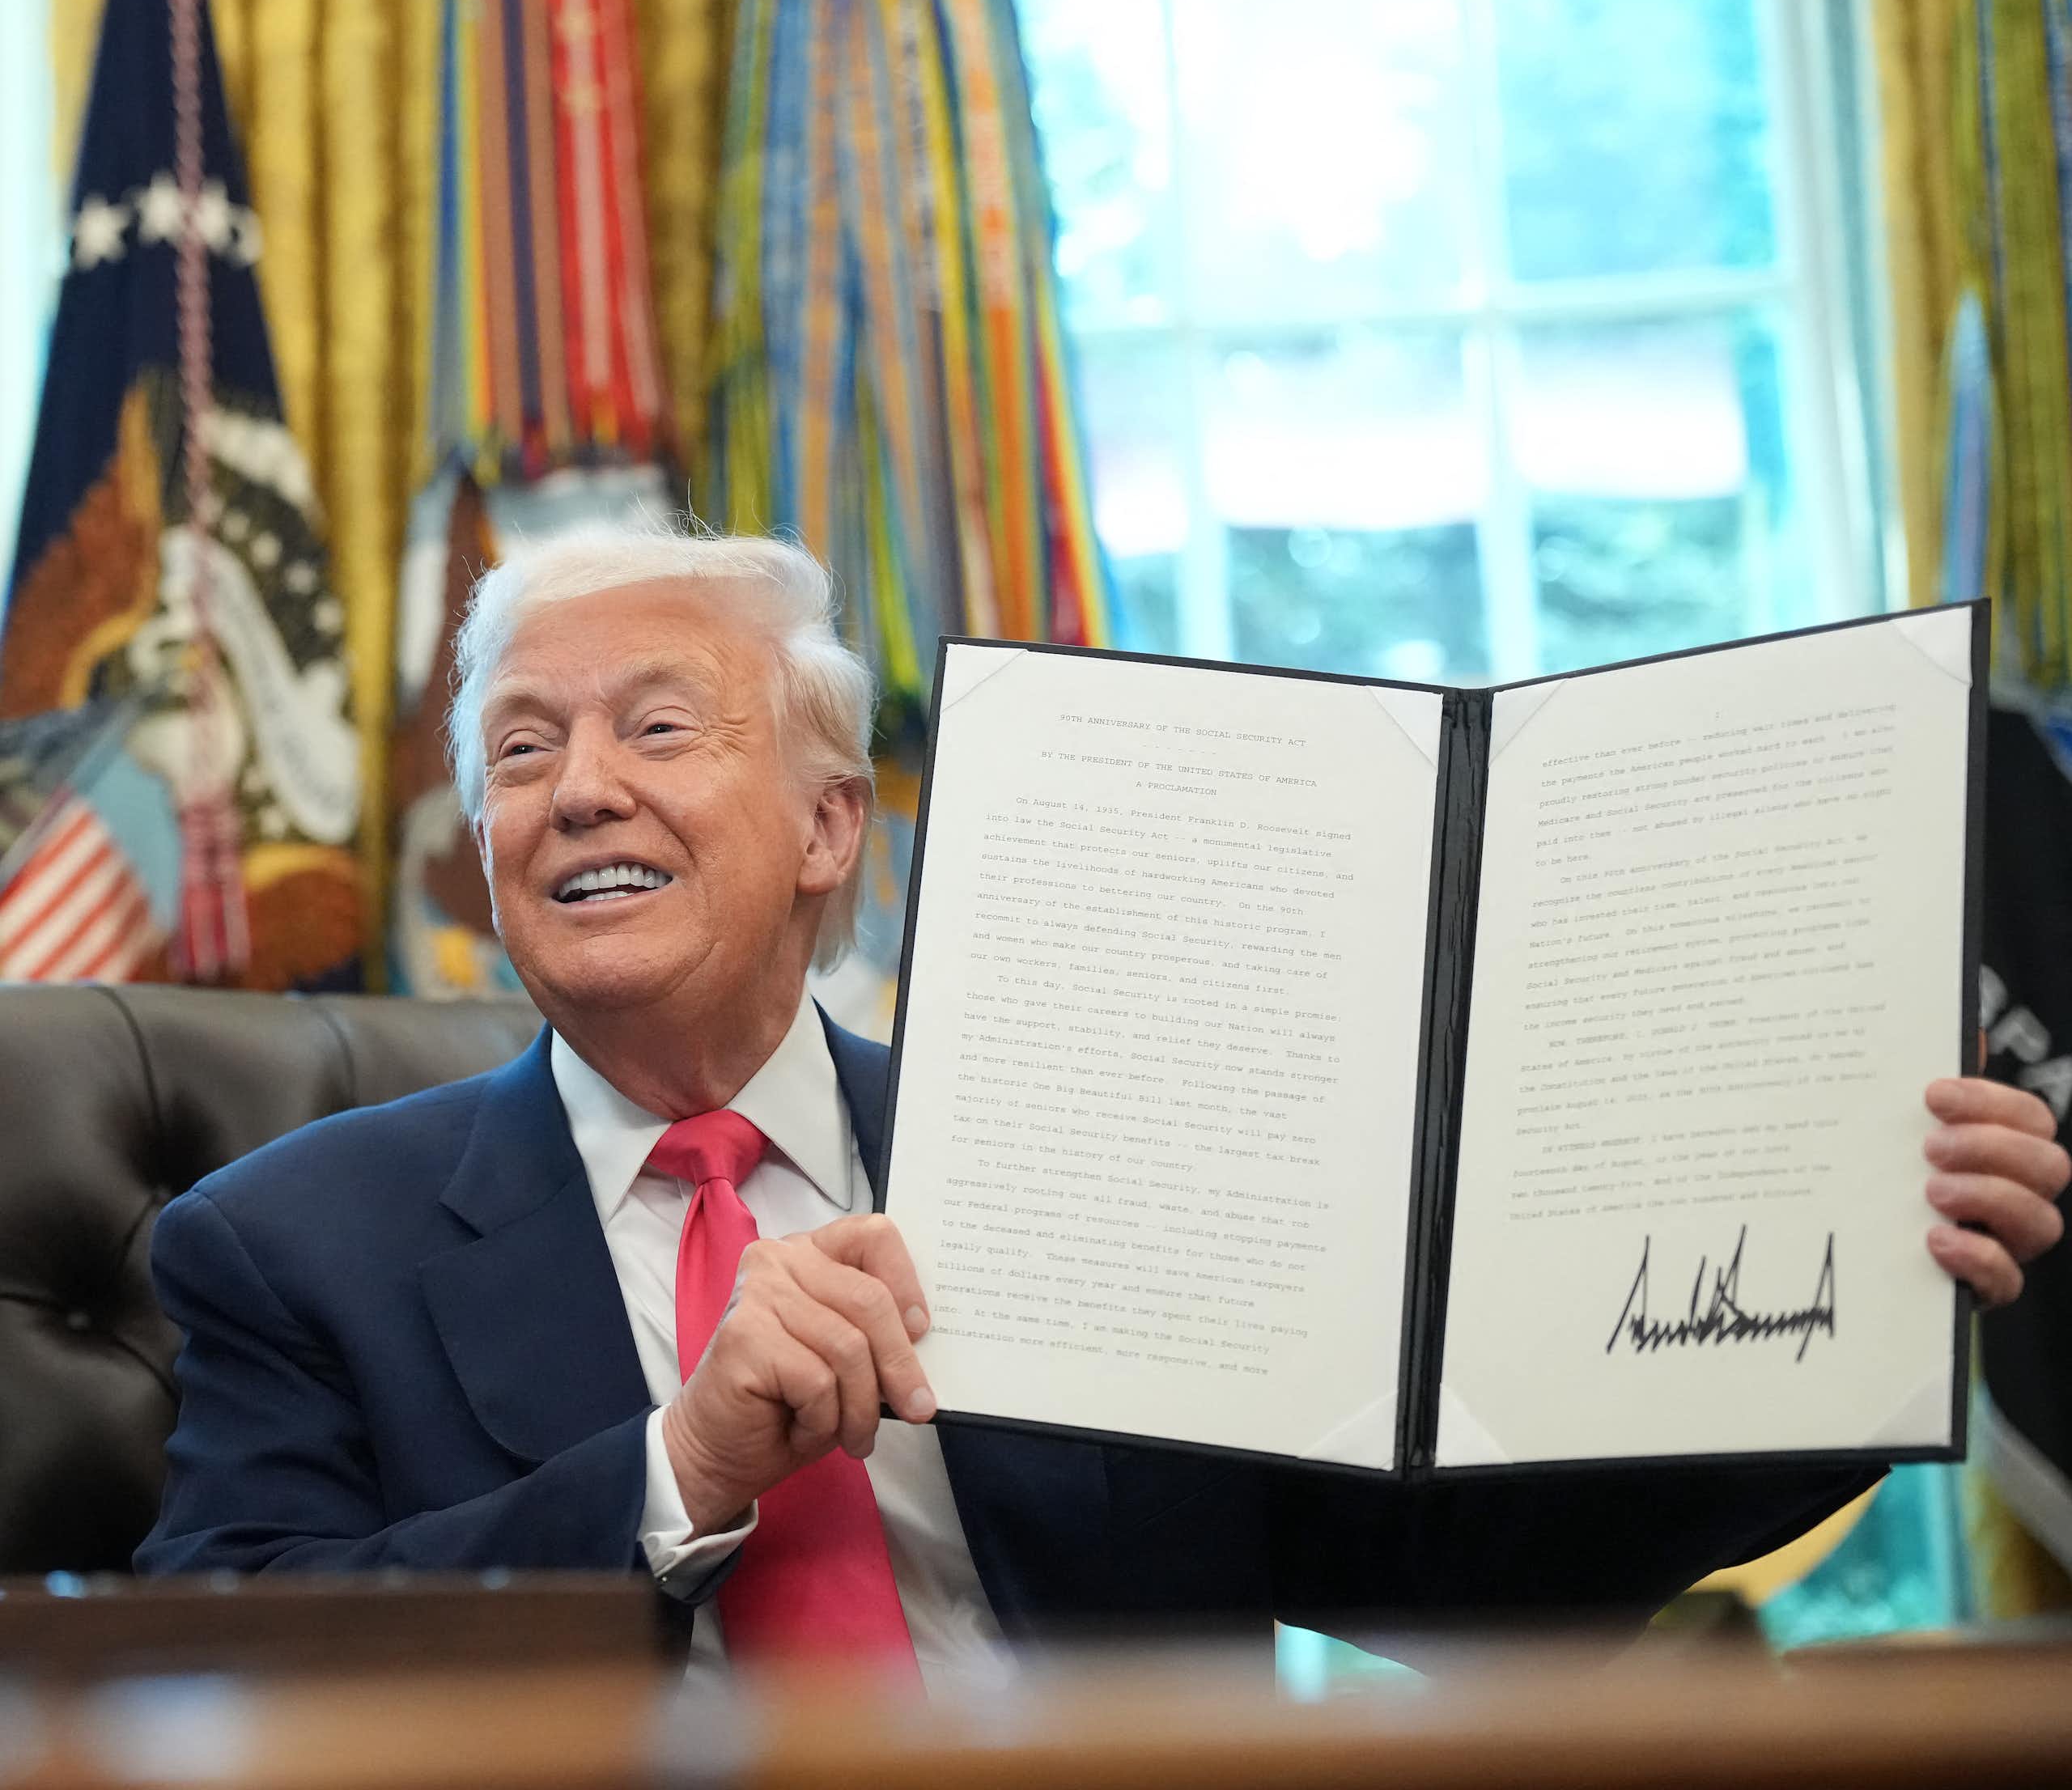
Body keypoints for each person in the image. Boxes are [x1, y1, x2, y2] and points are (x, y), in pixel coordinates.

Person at [137, 523, 2072, 1683]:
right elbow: (212, 1663)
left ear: (833, 827)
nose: (576, 789)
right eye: (521, 751)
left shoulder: (1107, 1142)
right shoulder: (286, 1245)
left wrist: (1860, 1312)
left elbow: (1462, 1570)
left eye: (657, 726)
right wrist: (683, 1467)